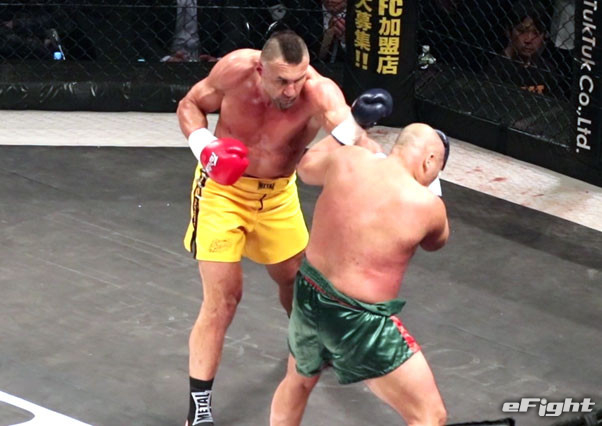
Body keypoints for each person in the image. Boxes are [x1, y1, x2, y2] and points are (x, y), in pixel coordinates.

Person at [177, 30, 389, 425]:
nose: (292, 90)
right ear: (261, 70)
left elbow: (354, 138)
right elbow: (190, 104)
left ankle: (307, 343)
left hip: (278, 196)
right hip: (222, 193)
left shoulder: (319, 92)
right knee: (224, 300)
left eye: (298, 79)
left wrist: (391, 172)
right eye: (282, 80)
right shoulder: (235, 70)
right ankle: (198, 408)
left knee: (295, 282)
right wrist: (205, 145)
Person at [270, 123, 451, 426]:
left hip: (309, 292)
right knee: (430, 416)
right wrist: (430, 189)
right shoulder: (428, 206)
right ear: (429, 161)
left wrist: (350, 125)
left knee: (298, 381)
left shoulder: (349, 159)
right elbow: (437, 242)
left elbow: (306, 167)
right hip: (357, 320)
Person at [486, 2, 558, 95]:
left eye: (536, 33)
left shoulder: (547, 70)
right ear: (508, 31)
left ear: (544, 35)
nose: (528, 39)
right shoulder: (495, 69)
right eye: (522, 31)